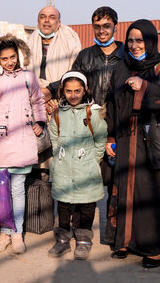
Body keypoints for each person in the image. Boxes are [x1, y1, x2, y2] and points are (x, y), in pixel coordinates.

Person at [105, 19, 160, 268]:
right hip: (125, 139)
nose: (134, 45)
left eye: (140, 40)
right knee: (126, 189)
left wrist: (145, 87)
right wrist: (110, 136)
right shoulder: (121, 67)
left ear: (151, 40)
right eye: (130, 40)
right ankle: (125, 240)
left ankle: (154, 248)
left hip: (157, 142)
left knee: (153, 192)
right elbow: (111, 103)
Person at [42, 6, 124, 245]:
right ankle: (74, 232)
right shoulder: (86, 56)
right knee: (84, 182)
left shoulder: (125, 56)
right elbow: (73, 78)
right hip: (88, 126)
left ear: (115, 27)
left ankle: (114, 234)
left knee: (115, 184)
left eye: (106, 26)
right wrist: (50, 89)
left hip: (118, 126)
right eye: (97, 26)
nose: (101, 31)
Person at [0, 34, 47, 254]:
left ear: (19, 55)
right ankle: (5, 231)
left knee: (18, 189)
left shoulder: (29, 76)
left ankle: (17, 233)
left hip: (23, 141)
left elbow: (38, 101)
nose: (9, 62)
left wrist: (40, 121)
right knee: (3, 191)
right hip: (2, 142)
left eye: (13, 57)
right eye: (4, 58)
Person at [47, 71, 106, 260]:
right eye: (69, 91)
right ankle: (62, 240)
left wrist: (92, 160)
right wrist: (58, 157)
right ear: (63, 91)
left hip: (86, 168)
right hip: (64, 167)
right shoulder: (58, 113)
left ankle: (83, 240)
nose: (73, 95)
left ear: (85, 90)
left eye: (77, 91)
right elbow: (54, 137)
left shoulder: (92, 112)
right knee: (63, 205)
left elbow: (100, 138)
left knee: (86, 205)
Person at [27, 5, 81, 89]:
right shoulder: (29, 45)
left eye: (52, 17)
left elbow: (74, 75)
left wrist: (51, 91)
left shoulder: (70, 43)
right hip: (32, 95)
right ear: (38, 22)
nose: (46, 20)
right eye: (42, 17)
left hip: (61, 96)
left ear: (59, 23)